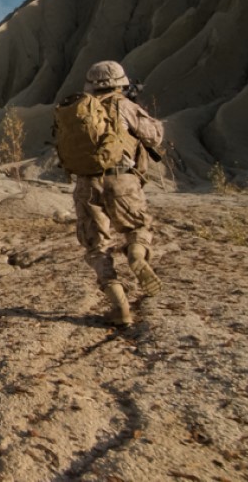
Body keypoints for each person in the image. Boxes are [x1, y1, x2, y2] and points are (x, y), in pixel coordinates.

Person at [70, 61, 164, 327]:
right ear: (120, 83)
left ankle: (119, 305)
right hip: (122, 179)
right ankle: (135, 254)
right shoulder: (125, 105)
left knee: (96, 245)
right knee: (136, 226)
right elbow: (154, 136)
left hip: (86, 184)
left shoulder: (76, 110)